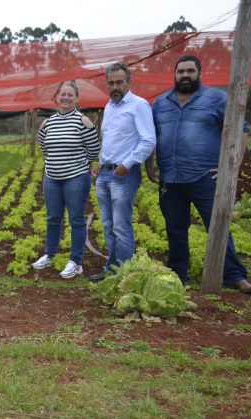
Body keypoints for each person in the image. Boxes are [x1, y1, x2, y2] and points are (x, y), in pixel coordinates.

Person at [147, 55, 251, 294]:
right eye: (181, 72)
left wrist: (232, 166)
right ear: (175, 74)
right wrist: (150, 165)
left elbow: (242, 130)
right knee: (175, 229)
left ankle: (234, 276)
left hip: (206, 178)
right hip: (170, 178)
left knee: (218, 226)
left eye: (190, 71)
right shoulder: (160, 103)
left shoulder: (217, 99)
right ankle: (179, 274)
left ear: (199, 73)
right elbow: (151, 136)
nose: (185, 76)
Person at [90, 62, 156, 282]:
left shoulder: (139, 105)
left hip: (123, 174)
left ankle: (125, 275)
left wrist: (126, 165)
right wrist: (100, 163)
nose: (115, 86)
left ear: (129, 81)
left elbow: (148, 141)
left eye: (119, 82)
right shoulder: (109, 107)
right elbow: (108, 140)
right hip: (105, 173)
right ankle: (112, 270)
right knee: (108, 226)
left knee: (121, 225)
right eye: (111, 83)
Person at [33, 81, 100, 279]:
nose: (66, 98)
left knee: (76, 219)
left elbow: (94, 149)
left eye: (70, 95)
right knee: (53, 218)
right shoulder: (48, 122)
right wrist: (56, 162)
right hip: (52, 178)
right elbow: (43, 145)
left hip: (76, 178)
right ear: (57, 97)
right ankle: (49, 254)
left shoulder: (83, 121)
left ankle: (76, 262)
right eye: (63, 94)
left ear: (76, 99)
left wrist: (79, 165)